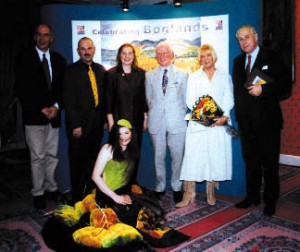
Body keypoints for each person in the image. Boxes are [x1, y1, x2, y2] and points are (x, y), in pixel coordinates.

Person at [233, 25, 285, 216]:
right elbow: (239, 91)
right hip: (247, 122)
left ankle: (270, 201)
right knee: (251, 162)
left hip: (268, 121)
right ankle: (252, 197)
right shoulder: (238, 62)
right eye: (240, 39)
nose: (244, 41)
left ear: (255, 37)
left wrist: (264, 90)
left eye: (247, 37)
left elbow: (284, 84)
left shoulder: (272, 56)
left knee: (269, 163)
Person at [14, 23, 67, 210]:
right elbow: (21, 89)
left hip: (54, 115)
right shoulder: (23, 59)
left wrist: (57, 107)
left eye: (46, 35)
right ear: (35, 37)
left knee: (52, 155)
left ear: (51, 38)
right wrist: (40, 108)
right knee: (38, 156)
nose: (43, 38)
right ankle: (38, 192)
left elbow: (62, 89)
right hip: (34, 117)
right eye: (39, 35)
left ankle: (51, 188)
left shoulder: (59, 60)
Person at [176, 44, 234, 208]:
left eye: (208, 55)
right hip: (199, 124)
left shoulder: (224, 76)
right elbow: (190, 100)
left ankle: (210, 191)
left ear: (214, 57)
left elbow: (228, 98)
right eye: (202, 56)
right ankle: (189, 194)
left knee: (213, 157)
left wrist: (224, 117)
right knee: (193, 158)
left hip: (219, 125)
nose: (205, 59)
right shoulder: (194, 77)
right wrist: (207, 119)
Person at [63, 37, 106, 203]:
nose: (86, 51)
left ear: (94, 50)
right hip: (79, 127)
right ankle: (76, 198)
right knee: (77, 162)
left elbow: (102, 98)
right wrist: (76, 125)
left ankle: (90, 195)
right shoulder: (70, 71)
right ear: (78, 51)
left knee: (93, 162)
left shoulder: (100, 70)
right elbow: (69, 100)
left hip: (96, 126)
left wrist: (103, 120)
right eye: (83, 48)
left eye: (89, 48)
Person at [145, 41, 188, 203]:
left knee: (178, 156)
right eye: (159, 53)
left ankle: (177, 187)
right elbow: (149, 99)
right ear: (156, 57)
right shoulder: (149, 75)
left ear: (172, 55)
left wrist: (175, 112)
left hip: (177, 121)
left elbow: (185, 100)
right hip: (156, 121)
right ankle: (160, 186)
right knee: (158, 156)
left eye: (165, 53)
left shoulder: (183, 74)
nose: (162, 56)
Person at [106, 43, 148, 183]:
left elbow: (143, 99)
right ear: (119, 55)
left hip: (136, 122)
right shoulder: (111, 74)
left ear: (134, 56)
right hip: (119, 122)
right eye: (124, 53)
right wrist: (111, 121)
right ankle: (117, 185)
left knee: (134, 155)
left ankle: (131, 185)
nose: (127, 56)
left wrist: (145, 118)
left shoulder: (141, 74)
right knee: (118, 155)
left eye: (130, 53)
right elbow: (109, 100)